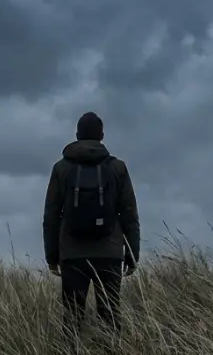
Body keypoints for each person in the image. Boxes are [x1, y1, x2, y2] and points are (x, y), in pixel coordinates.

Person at [42, 111, 140, 338]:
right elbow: (129, 213)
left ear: (77, 135)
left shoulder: (61, 169)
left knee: (72, 317)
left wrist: (52, 257)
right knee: (110, 315)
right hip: (109, 251)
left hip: (73, 253)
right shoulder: (118, 168)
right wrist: (132, 254)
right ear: (102, 136)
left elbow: (51, 215)